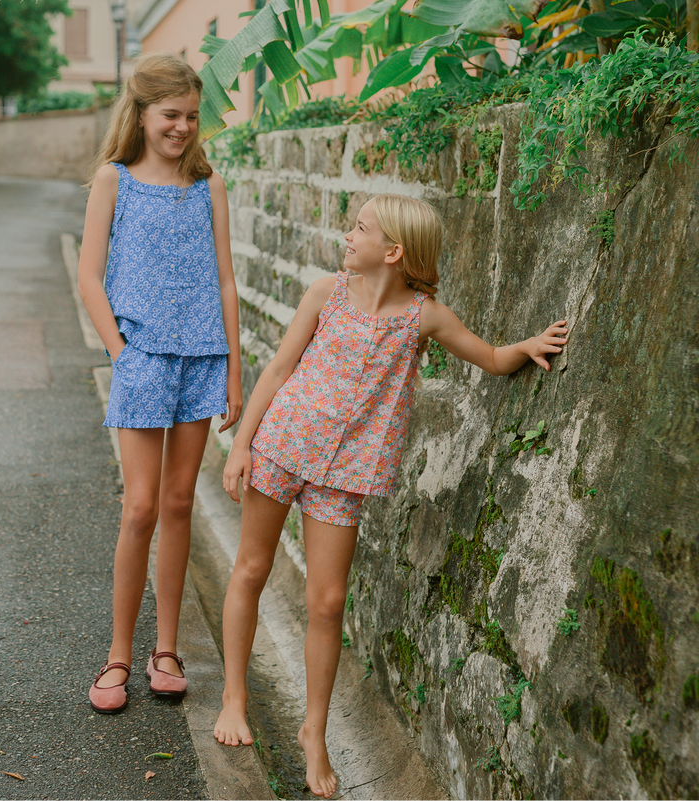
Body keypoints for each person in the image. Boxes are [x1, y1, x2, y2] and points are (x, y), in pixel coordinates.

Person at [213, 193, 568, 798]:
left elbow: (488, 357)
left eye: (360, 229)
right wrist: (243, 443)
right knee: (251, 568)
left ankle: (314, 732)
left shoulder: (423, 316)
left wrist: (526, 346)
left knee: (327, 603)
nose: (347, 236)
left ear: (394, 251)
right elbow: (277, 369)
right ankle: (234, 697)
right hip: (282, 443)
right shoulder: (325, 293)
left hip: (346, 473)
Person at [78, 52, 242, 714]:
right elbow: (91, 275)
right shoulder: (112, 180)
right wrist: (120, 352)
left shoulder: (209, 186)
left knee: (180, 505)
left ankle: (166, 648)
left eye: (192, 118)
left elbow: (227, 279)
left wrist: (234, 368)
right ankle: (120, 651)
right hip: (143, 358)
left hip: (202, 358)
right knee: (140, 506)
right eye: (170, 116)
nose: (182, 129)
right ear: (141, 114)